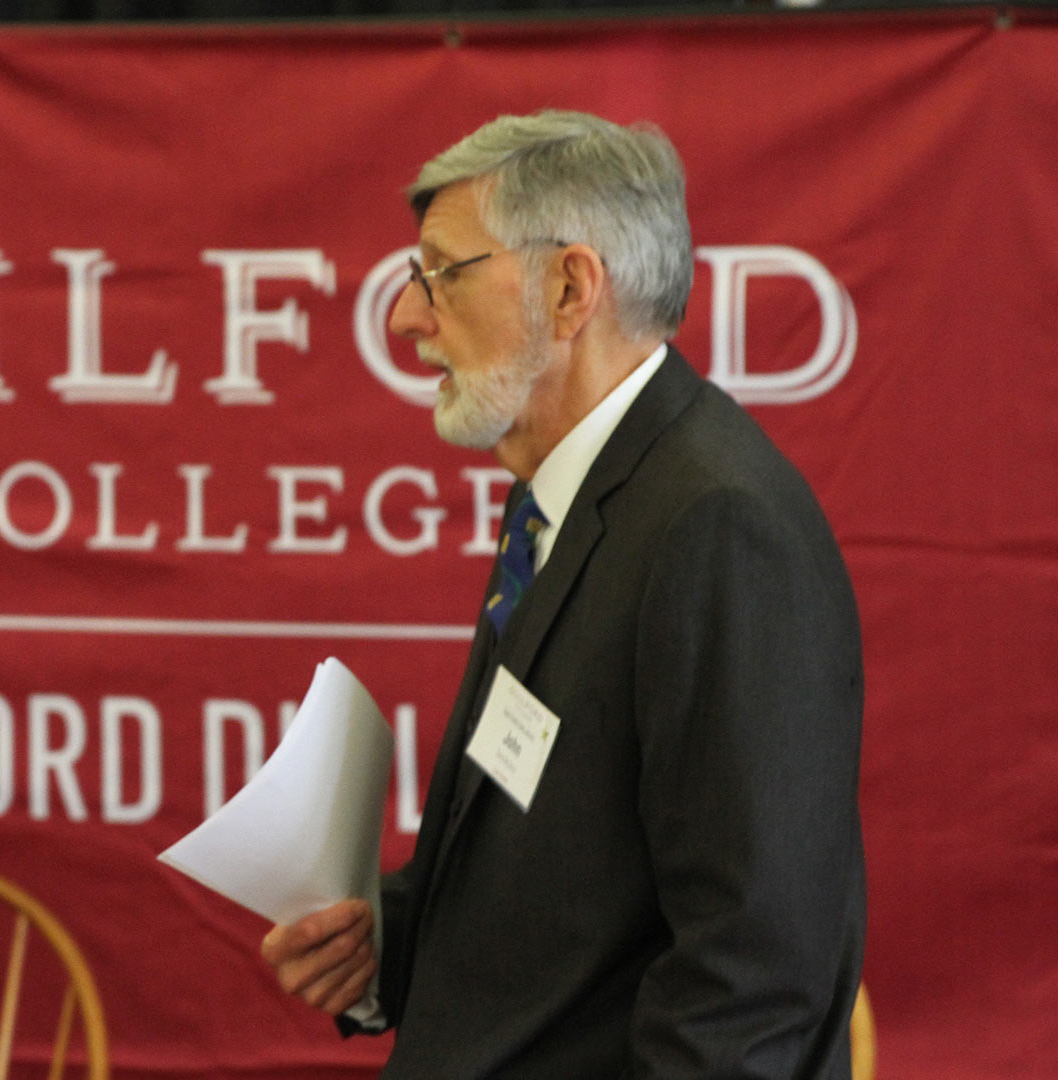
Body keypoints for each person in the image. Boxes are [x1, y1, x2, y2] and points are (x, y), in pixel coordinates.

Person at [260, 110, 865, 1078]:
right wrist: (389, 942)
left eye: (439, 273)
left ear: (570, 287)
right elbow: (560, 862)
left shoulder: (719, 526)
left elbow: (751, 975)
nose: (407, 319)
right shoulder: (558, 493)